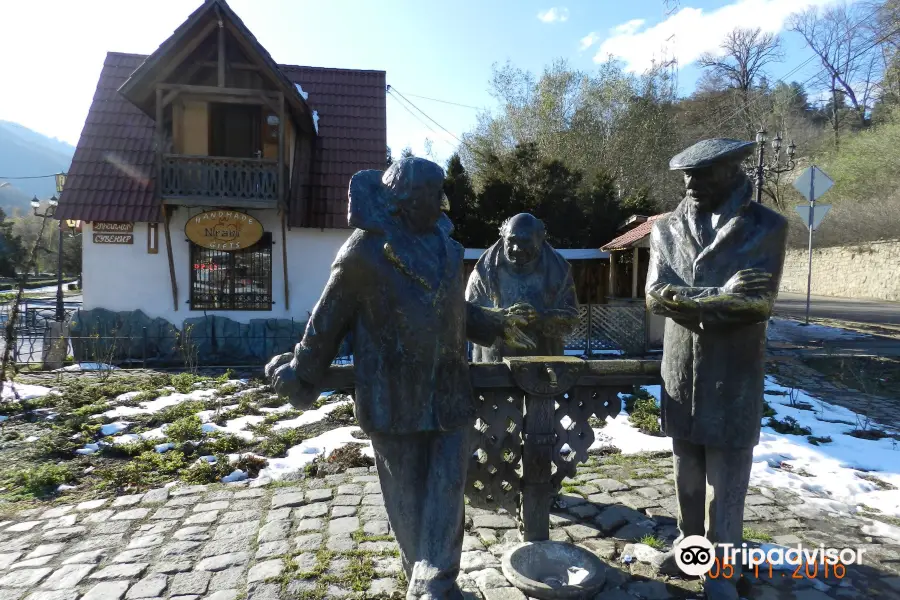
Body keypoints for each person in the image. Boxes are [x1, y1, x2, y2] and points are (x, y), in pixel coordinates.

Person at [266, 157, 535, 600]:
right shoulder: (364, 252)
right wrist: (302, 371)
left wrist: (495, 323)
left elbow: (454, 310)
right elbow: (327, 320)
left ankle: (436, 583)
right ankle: (425, 581)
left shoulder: (448, 249)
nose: (444, 201)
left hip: (449, 390)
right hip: (392, 396)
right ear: (406, 200)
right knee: (407, 500)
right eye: (435, 193)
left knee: (447, 489)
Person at [645, 139, 788, 600]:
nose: (691, 183)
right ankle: (691, 550)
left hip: (735, 370)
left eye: (703, 173)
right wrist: (720, 297)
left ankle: (723, 566)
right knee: (686, 471)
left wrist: (688, 299)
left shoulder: (767, 226)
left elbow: (756, 302)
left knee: (726, 476)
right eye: (686, 174)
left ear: (732, 170)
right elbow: (654, 295)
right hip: (681, 368)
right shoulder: (665, 228)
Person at [466, 213, 579, 362]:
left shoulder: (559, 272)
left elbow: (572, 319)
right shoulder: (482, 273)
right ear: (503, 237)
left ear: (540, 238)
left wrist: (541, 317)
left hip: (545, 368)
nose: (517, 248)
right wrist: (501, 319)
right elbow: (467, 317)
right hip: (493, 366)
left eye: (525, 241)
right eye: (511, 240)